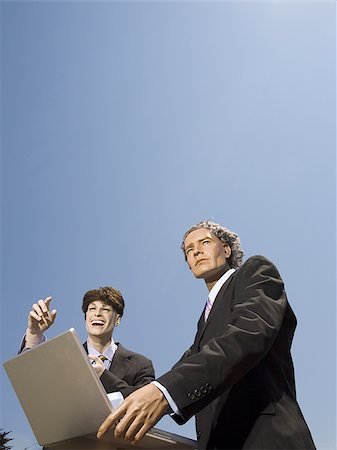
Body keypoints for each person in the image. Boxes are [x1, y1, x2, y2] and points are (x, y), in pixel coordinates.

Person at [97, 220, 316, 449]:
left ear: (227, 249)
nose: (196, 251)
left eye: (205, 242)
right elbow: (164, 384)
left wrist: (164, 392)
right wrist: (100, 374)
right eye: (189, 250)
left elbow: (248, 335)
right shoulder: (203, 325)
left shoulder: (255, 271)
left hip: (267, 439)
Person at [20, 286, 155, 399]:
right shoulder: (64, 360)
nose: (97, 314)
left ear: (117, 319)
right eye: (92, 309)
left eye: (106, 309)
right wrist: (34, 335)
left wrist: (103, 376)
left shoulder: (141, 364)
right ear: (86, 318)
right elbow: (31, 386)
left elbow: (145, 403)